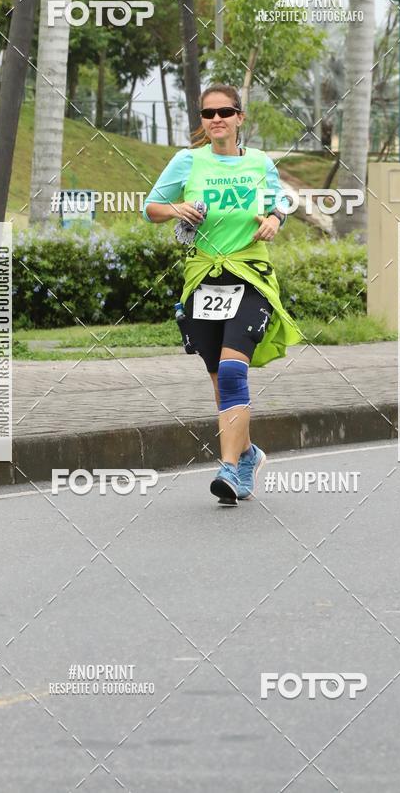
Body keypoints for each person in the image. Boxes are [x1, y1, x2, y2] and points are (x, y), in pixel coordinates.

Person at [142, 83, 302, 505]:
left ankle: (228, 469)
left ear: (239, 118)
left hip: (249, 275)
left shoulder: (259, 162)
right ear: (202, 120)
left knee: (233, 373)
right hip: (203, 281)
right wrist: (177, 208)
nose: (217, 119)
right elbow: (151, 208)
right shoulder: (187, 161)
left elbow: (280, 201)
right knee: (219, 380)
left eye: (225, 112)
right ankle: (247, 454)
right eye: (208, 113)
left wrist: (274, 219)